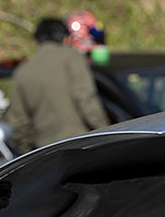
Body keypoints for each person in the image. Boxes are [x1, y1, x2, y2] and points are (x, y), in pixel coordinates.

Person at [7, 16, 108, 152]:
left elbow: (20, 122)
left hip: (45, 152)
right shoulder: (72, 57)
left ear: (36, 42)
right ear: (66, 38)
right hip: (80, 146)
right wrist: (106, 134)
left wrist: (25, 153)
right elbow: (85, 99)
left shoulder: (22, 72)